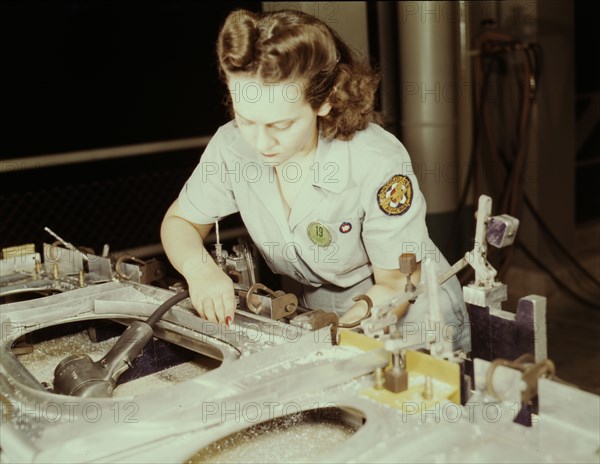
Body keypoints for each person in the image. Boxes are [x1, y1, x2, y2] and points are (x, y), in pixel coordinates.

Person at [160, 8, 470, 352]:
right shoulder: (232, 146)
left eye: (281, 126)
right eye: (245, 118)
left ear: (325, 100)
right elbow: (180, 221)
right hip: (318, 311)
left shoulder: (376, 162)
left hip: (410, 315)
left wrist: (332, 338)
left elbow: (395, 286)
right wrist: (200, 270)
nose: (260, 144)